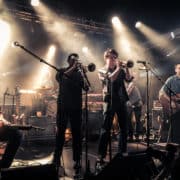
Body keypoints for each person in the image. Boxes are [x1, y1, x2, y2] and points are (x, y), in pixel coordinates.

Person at [53, 53, 88, 176]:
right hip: (63, 106)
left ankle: (77, 160)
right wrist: (74, 67)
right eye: (73, 59)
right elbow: (62, 79)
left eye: (77, 59)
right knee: (60, 133)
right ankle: (56, 159)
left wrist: (84, 73)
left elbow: (87, 88)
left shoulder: (79, 74)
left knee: (77, 134)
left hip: (76, 107)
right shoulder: (62, 71)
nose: (75, 61)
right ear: (68, 61)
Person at [97, 48, 133, 163]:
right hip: (109, 101)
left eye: (114, 57)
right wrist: (118, 68)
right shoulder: (102, 70)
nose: (113, 60)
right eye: (111, 57)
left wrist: (126, 68)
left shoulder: (120, 70)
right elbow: (111, 78)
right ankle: (101, 155)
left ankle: (122, 151)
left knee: (124, 128)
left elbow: (128, 79)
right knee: (105, 129)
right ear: (106, 58)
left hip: (121, 101)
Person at [159, 63, 180, 142]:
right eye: (179, 68)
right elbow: (162, 92)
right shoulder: (171, 79)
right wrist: (170, 101)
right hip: (174, 106)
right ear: (175, 70)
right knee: (175, 125)